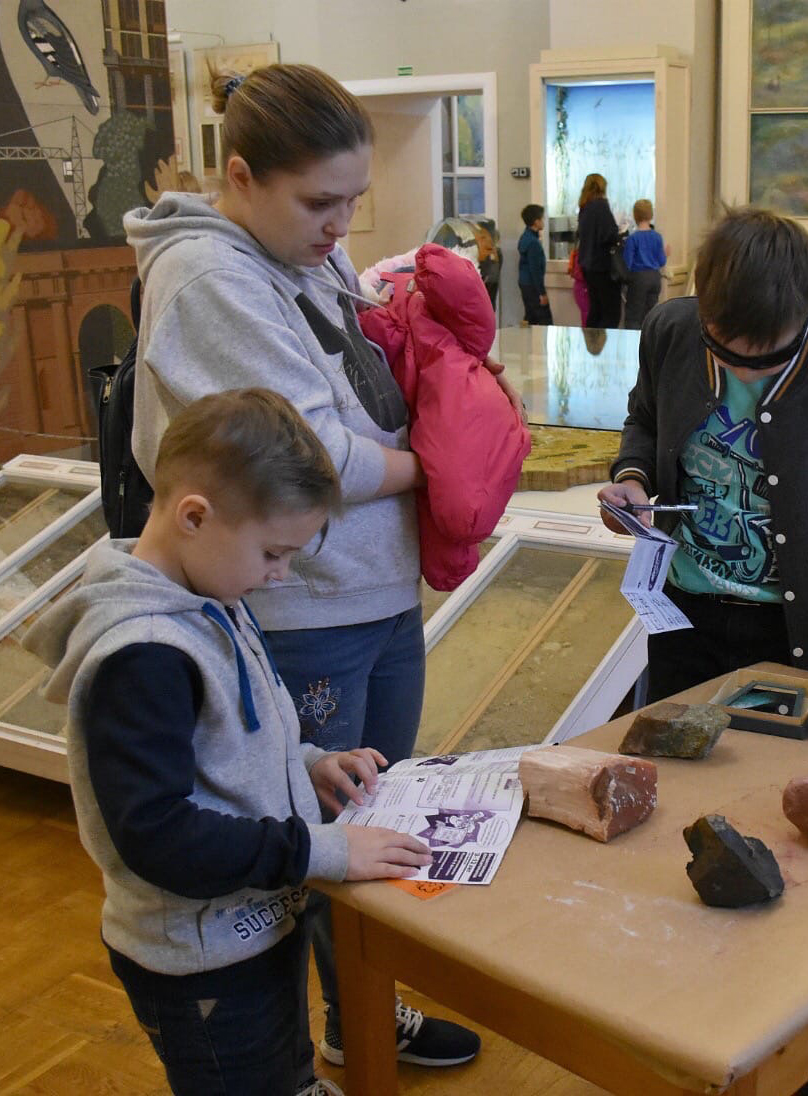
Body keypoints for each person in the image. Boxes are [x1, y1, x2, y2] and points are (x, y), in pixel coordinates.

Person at [124, 64, 483, 1073]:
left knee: (373, 813)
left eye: (354, 201)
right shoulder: (211, 278)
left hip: (371, 589)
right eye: (321, 202)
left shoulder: (300, 258)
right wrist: (441, 467)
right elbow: (308, 456)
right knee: (314, 841)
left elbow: (358, 393)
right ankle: (312, 1037)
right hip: (304, 607)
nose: (342, 225)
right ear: (240, 177)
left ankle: (361, 1014)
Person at [597, 210, 808, 1096]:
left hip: (802, 641)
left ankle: (803, 1052)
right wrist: (632, 475)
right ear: (700, 302)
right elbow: (642, 419)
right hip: (686, 631)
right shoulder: (671, 328)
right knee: (677, 838)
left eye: (767, 352)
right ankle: (681, 1027)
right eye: (727, 345)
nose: (743, 361)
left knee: (800, 862)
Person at [23, 389, 435, 1096]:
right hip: (200, 961)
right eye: (273, 553)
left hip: (255, 924)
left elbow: (233, 743)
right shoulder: (143, 656)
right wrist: (321, 851)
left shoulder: (214, 600)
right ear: (194, 517)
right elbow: (159, 835)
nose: (279, 575)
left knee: (278, 1060)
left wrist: (311, 765)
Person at [577, 172, 622, 329]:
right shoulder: (601, 205)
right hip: (603, 266)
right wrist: (620, 233)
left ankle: (591, 345)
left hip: (588, 266)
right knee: (611, 312)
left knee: (595, 310)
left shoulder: (584, 208)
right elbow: (608, 234)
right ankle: (605, 348)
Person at [622, 198, 666, 329]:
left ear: (635, 215)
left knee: (634, 317)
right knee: (651, 315)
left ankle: (634, 344)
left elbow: (627, 263)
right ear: (651, 215)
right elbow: (661, 261)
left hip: (639, 278)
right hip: (655, 277)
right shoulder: (657, 237)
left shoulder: (632, 239)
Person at [518, 203, 552, 325]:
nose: (543, 221)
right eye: (542, 218)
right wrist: (542, 293)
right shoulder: (533, 243)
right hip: (532, 286)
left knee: (530, 317)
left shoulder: (525, 237)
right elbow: (535, 269)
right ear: (536, 222)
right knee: (544, 320)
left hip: (525, 283)